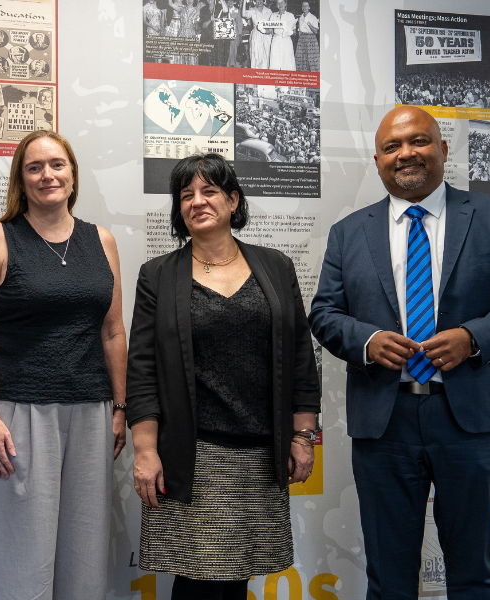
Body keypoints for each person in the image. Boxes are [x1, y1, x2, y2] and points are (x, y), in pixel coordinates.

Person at [308, 106, 490, 600]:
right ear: (377, 160)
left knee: (475, 573)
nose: (406, 154)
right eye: (392, 147)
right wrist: (370, 341)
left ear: (443, 149)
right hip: (384, 420)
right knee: (389, 576)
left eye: (418, 141)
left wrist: (473, 337)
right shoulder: (349, 232)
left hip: (471, 419)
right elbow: (324, 315)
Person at [126, 153, 320, 600]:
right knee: (195, 581)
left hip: (258, 455)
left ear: (233, 200)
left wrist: (302, 436)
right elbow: (142, 370)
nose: (197, 201)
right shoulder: (157, 275)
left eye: (209, 191)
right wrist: (145, 451)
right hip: (193, 456)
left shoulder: (276, 267)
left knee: (235, 581)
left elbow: (299, 359)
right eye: (186, 194)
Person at [0, 130, 127, 599]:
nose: (47, 175)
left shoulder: (103, 241)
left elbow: (113, 331)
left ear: (73, 175)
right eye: (34, 167)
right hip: (18, 414)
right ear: (21, 179)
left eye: (57, 164)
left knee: (84, 556)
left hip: (92, 413)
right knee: (18, 560)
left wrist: (120, 408)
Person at [242, 0, 273, 69]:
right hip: (256, 36)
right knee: (256, 57)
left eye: (261, 0)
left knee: (266, 57)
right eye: (257, 0)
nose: (259, 2)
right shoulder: (252, 10)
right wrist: (244, 1)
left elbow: (271, 26)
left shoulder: (269, 11)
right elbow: (243, 14)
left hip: (266, 36)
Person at [267, 0, 296, 71]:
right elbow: (270, 30)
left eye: (282, 2)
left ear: (286, 4)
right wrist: (262, 29)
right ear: (276, 5)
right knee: (274, 61)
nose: (280, 4)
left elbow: (294, 32)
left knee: (287, 62)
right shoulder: (273, 15)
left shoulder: (290, 15)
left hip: (286, 41)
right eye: (278, 3)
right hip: (276, 40)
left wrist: (289, 32)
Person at [294, 1, 319, 72]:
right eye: (303, 6)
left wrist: (309, 24)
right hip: (302, 40)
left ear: (309, 7)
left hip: (311, 40)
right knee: (302, 59)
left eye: (306, 6)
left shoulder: (313, 17)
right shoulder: (300, 18)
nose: (304, 7)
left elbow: (316, 32)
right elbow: (300, 31)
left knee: (311, 60)